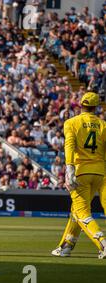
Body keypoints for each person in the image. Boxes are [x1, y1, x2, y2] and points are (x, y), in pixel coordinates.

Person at [52, 92, 106, 259]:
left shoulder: (71, 123)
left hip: (80, 171)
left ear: (80, 105)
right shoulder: (103, 124)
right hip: (100, 172)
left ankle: (103, 243)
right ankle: (67, 245)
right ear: (96, 107)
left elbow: (69, 145)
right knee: (76, 210)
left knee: (82, 212)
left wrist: (69, 168)